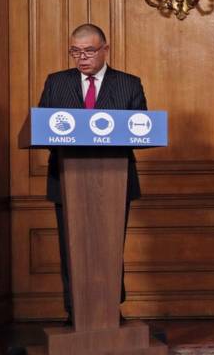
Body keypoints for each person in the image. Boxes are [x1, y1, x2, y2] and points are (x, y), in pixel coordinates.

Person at [39, 23, 147, 324]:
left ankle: (111, 310)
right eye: (75, 51)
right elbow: (43, 129)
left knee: (110, 249)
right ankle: (75, 312)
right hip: (66, 180)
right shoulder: (56, 83)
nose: (81, 57)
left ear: (105, 49)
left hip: (115, 180)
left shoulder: (129, 84)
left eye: (88, 51)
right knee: (70, 249)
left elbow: (142, 131)